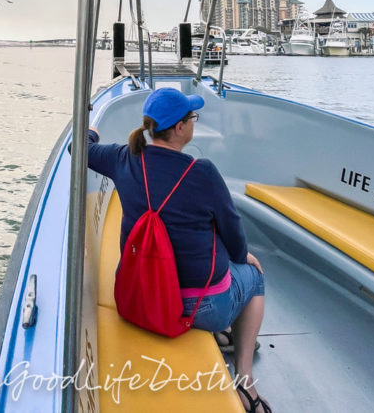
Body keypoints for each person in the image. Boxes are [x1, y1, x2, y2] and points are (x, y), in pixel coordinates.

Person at [88, 88, 269, 412]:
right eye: (191, 117)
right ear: (181, 128)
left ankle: (226, 335)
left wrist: (91, 132)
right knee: (254, 277)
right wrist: (244, 259)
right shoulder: (203, 173)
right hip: (203, 307)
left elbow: (81, 148)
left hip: (140, 295)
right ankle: (244, 380)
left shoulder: (123, 158)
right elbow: (233, 232)